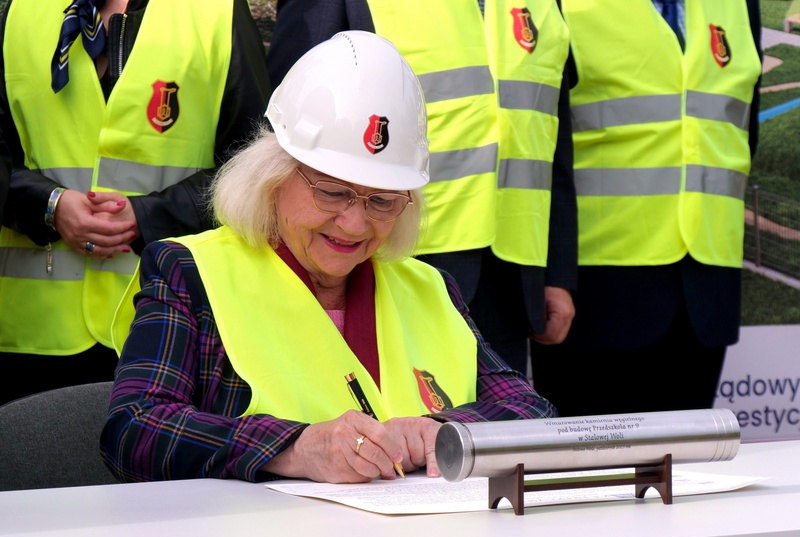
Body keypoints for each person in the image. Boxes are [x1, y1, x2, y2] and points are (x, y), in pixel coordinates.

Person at [100, 31, 556, 484]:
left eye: (382, 201)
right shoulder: (191, 274)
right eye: (332, 192)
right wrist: (293, 448)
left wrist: (444, 429)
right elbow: (134, 430)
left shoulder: (430, 288)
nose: (354, 225)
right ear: (272, 177)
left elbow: (532, 411)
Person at [266, 0, 578, 376]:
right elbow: (286, 133)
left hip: (511, 280)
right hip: (380, 268)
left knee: (500, 410)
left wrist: (557, 273)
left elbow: (551, 135)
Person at [0, 0, 272, 405]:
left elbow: (255, 168)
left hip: (169, 329)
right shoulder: (18, 12)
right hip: (32, 334)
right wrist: (49, 204)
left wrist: (147, 216)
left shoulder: (217, 11)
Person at [529, 0, 763, 416]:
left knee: (690, 459)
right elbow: (538, 138)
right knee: (587, 457)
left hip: (706, 291)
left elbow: (742, 132)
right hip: (593, 289)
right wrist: (552, 274)